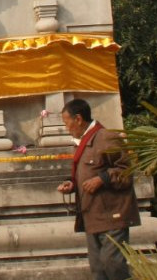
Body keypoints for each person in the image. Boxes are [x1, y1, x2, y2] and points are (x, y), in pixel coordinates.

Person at [56, 98, 141, 280]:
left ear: (78, 119)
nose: (66, 127)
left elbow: (126, 172)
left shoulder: (105, 137)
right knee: (98, 269)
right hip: (92, 215)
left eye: (67, 122)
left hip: (112, 214)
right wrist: (72, 184)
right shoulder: (84, 142)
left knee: (113, 263)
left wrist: (102, 179)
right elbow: (88, 172)